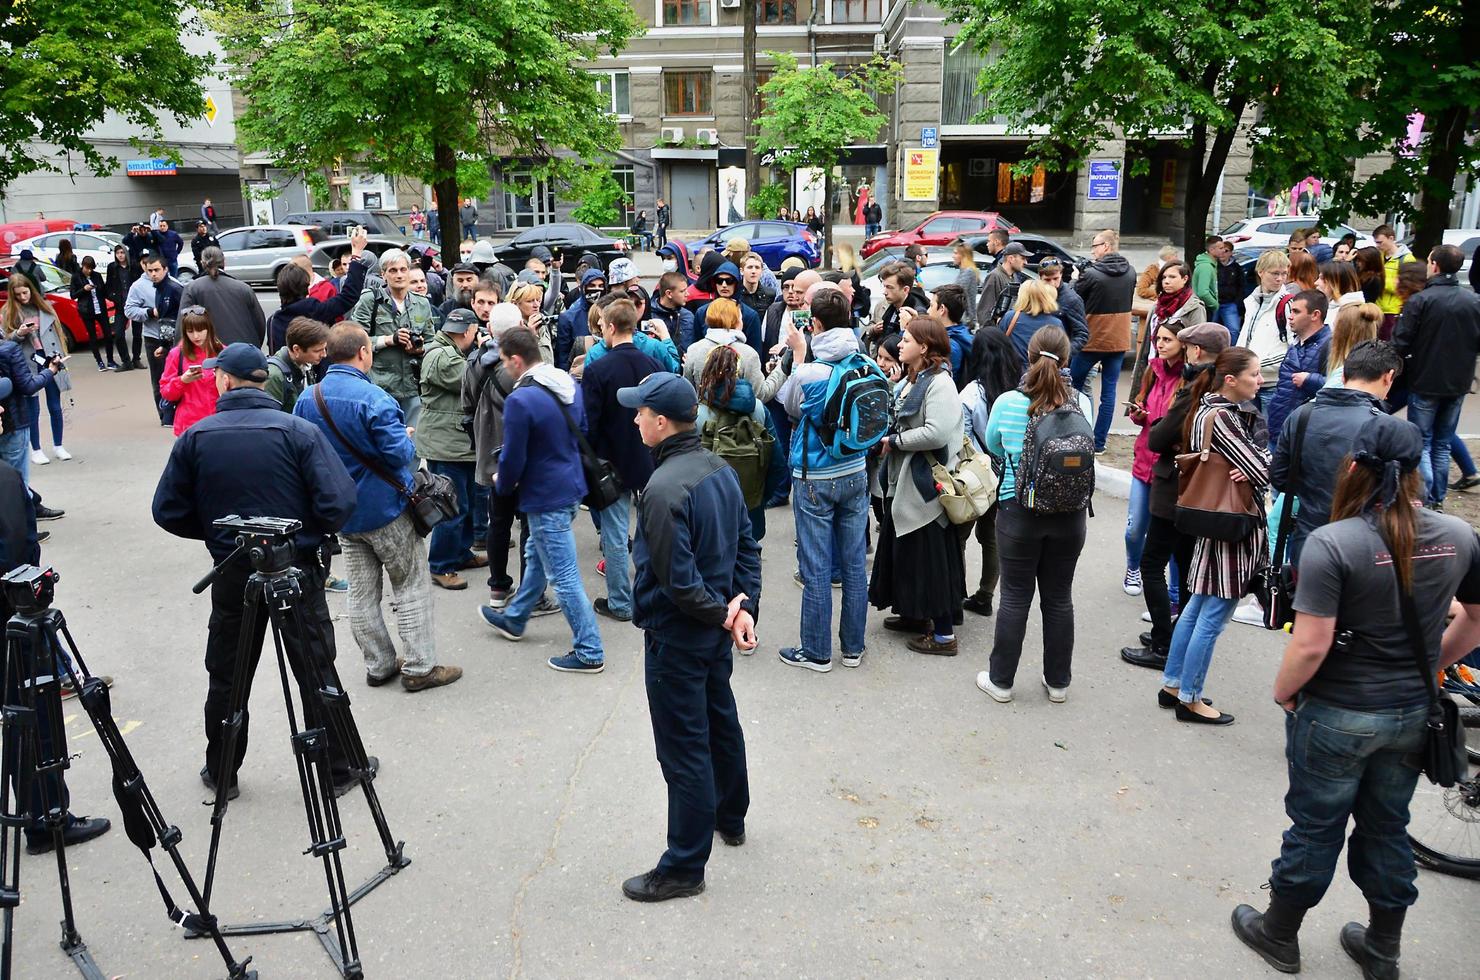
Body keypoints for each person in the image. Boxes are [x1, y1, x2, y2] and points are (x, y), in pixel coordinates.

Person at [1232, 413, 1480, 980]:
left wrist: (1283, 693)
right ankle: (1383, 949)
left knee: (1315, 827)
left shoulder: (1333, 543)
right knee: (1387, 826)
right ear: (1417, 472)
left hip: (1337, 713)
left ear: (1352, 466)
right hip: (1413, 713)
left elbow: (1312, 643)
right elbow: (1475, 620)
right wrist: (1431, 664)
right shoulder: (1459, 536)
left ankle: (1279, 934)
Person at [152, 342, 364, 799]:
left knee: (229, 673)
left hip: (235, 569)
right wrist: (301, 536)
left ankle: (222, 771)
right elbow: (339, 501)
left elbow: (168, 510)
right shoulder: (297, 431)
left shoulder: (199, 435)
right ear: (261, 380)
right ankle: (340, 768)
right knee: (315, 669)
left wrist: (221, 536)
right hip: (294, 568)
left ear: (225, 380)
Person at [616, 372, 759, 903]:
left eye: (639, 413)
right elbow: (748, 544)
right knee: (720, 721)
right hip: (709, 631)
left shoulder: (663, 488)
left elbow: (677, 581)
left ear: (660, 422)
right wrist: (744, 608)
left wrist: (729, 614)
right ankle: (730, 815)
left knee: (684, 751)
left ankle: (683, 866)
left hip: (679, 636)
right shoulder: (717, 467)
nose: (634, 420)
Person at [292, 324, 463, 692]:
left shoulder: (307, 398)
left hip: (343, 513)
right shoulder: (375, 399)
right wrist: (404, 436)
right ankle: (419, 667)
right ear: (364, 353)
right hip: (387, 509)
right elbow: (399, 455)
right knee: (410, 586)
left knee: (362, 593)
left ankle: (380, 664)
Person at [476, 327, 605, 674]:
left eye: (504, 361)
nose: (503, 367)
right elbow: (582, 429)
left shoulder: (521, 399)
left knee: (563, 576)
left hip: (544, 492)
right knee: (535, 555)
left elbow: (514, 456)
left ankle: (590, 649)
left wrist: (502, 482)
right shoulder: (565, 383)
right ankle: (515, 618)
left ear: (516, 360)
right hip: (570, 483)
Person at [1, 459, 111, 853]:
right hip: (13, 621)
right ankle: (47, 819)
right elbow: (16, 551)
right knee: (32, 718)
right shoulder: (4, 476)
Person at [975, 326, 1090, 703]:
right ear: (1068, 359)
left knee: (1014, 598)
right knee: (1059, 598)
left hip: (1018, 511)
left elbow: (993, 444)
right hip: (1070, 514)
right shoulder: (1082, 403)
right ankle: (1058, 683)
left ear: (1029, 355)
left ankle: (1001, 682)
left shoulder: (1008, 401)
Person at [1157, 347, 1269, 724]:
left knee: (1196, 606)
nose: (1261, 380)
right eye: (1255, 374)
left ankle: (1173, 684)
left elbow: (1250, 465)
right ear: (1232, 379)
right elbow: (1262, 467)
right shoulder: (1224, 416)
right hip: (1230, 526)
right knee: (1213, 614)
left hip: (1211, 519)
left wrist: (1249, 465)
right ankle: (1191, 698)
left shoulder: (1206, 407)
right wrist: (1255, 464)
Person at [774, 289, 874, 672]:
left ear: (813, 324)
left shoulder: (813, 370)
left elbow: (790, 405)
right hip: (855, 469)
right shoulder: (863, 362)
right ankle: (853, 647)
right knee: (852, 564)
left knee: (816, 566)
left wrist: (799, 356)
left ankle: (816, 651)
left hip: (816, 475)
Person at [1121, 322, 1225, 671]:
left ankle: (1164, 643)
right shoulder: (1219, 385)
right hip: (1198, 491)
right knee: (1184, 562)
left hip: (1176, 488)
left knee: (1152, 564)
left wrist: (1162, 427)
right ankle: (1174, 635)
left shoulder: (1195, 387)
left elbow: (1158, 438)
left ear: (1194, 350)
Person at [869, 317, 966, 655]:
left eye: (907, 340)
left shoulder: (941, 384)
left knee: (930, 560)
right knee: (909, 555)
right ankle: (914, 615)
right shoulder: (915, 380)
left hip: (925, 488)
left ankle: (943, 636)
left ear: (924, 348)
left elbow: (936, 433)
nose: (899, 344)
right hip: (906, 482)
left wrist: (895, 441)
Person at [1272, 339, 1397, 565]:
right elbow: (1394, 494)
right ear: (1388, 377)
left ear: (1344, 374)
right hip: (1361, 549)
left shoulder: (1301, 415)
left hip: (1308, 544)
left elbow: (1280, 479)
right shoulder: (1385, 427)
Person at [581, 299, 664, 622]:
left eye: (602, 326)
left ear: (611, 327)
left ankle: (619, 601)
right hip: (650, 459)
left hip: (611, 464)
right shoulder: (653, 365)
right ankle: (654, 592)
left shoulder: (597, 369)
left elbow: (589, 422)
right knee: (654, 530)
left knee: (615, 537)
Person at [1393, 244, 1480, 509]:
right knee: (1441, 443)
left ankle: (1428, 497)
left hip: (1426, 380)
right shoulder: (1473, 300)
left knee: (1425, 442)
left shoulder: (1421, 300)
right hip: (1457, 382)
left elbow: (1401, 341)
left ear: (1434, 265)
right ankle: (1436, 498)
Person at [409, 307, 487, 590]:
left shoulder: (450, 351)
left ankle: (460, 553)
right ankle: (441, 565)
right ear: (468, 332)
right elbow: (472, 381)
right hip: (447, 444)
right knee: (450, 506)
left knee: (467, 501)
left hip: (457, 442)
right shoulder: (442, 356)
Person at [959, 327, 1021, 618]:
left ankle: (955, 589)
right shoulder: (1020, 387)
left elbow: (964, 439)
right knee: (992, 537)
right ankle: (985, 594)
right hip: (1008, 473)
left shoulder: (972, 392)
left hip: (976, 475)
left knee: (959, 534)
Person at [1124, 318, 1186, 598]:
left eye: (1167, 340)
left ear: (1182, 344)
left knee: (1171, 537)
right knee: (1135, 529)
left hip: (1170, 469)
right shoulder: (1152, 370)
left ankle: (1173, 594)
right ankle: (1132, 568)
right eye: (1158, 339)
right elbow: (1143, 407)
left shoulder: (1188, 380)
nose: (1160, 344)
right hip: (1143, 461)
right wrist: (1139, 415)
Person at [349, 248, 434, 430]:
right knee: (383, 439)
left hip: (413, 384)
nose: (399, 275)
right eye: (393, 270)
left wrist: (420, 349)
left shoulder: (422, 303)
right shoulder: (370, 300)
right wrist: (389, 340)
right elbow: (354, 342)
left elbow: (432, 342)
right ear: (383, 274)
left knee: (412, 444)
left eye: (403, 270)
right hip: (380, 384)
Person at [1071, 229, 1136, 454]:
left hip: (1091, 340)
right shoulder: (1131, 272)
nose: (1093, 250)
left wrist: (1075, 278)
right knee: (1109, 393)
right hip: (1118, 341)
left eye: (1095, 245)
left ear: (1106, 246)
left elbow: (1074, 297)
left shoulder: (1091, 275)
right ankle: (1099, 443)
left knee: (1073, 387)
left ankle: (1075, 434)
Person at [1, 273, 70, 462]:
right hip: (26, 360)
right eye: (18, 295)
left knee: (55, 405)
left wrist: (60, 357)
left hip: (49, 357)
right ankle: (36, 448)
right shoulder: (8, 312)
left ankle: (58, 445)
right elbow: (4, 341)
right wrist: (18, 333)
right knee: (32, 407)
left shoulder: (44, 306)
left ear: (31, 289)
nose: (23, 297)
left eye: (25, 292)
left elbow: (58, 334)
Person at [268, 230, 369, 351]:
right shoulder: (312, 310)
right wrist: (356, 253)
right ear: (306, 287)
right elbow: (348, 296)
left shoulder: (274, 321)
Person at [0, 306, 63, 482]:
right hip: (13, 423)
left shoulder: (45, 308)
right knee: (18, 481)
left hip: (11, 422)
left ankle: (34, 503)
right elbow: (28, 386)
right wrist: (50, 371)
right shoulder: (10, 349)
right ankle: (26, 504)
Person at [1265, 289, 1331, 452]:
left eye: (1296, 311)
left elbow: (1339, 386)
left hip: (1304, 435)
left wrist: (1310, 380)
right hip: (1279, 429)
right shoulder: (1296, 343)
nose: (1290, 316)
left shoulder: (1330, 346)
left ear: (1315, 315)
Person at [125, 253, 184, 425]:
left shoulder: (174, 286)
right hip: (153, 338)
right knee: (159, 379)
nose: (153, 273)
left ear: (165, 269)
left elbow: (184, 314)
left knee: (178, 376)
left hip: (174, 340)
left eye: (157, 270)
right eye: (150, 270)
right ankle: (164, 415)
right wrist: (149, 312)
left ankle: (178, 412)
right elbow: (129, 311)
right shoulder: (137, 286)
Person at [180, 246, 267, 349]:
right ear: (224, 261)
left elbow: (181, 327)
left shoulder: (192, 289)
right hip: (246, 352)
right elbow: (260, 324)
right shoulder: (244, 288)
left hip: (210, 354)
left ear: (202, 263)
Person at [1237, 249, 1293, 405]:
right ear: (1261, 272)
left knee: (1268, 428)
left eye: (1284, 274)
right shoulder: (1252, 301)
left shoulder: (1288, 303)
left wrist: (1257, 365)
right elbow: (1245, 338)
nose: (1280, 279)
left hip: (1272, 383)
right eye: (1275, 273)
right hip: (1247, 381)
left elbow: (1294, 347)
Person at [158, 306, 224, 436]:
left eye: (200, 330)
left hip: (219, 423)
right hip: (189, 426)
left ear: (209, 328)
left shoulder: (223, 352)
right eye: (190, 331)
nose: (195, 336)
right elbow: (165, 392)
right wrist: (182, 380)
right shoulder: (177, 354)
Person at [693, 261, 762, 352]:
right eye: (719, 281)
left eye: (729, 281)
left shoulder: (750, 315)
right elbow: (696, 347)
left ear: (736, 283)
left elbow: (755, 354)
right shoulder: (702, 312)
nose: (724, 285)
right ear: (714, 283)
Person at [266, 316, 329, 412]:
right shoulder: (274, 376)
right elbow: (271, 417)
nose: (324, 355)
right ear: (296, 349)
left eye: (324, 349)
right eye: (317, 351)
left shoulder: (305, 364)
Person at [995, 279, 1063, 365]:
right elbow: (1060, 353)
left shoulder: (1010, 317)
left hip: (1012, 371)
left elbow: (997, 344)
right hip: (1042, 373)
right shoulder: (1056, 323)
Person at [1321, 302, 1382, 390]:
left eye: (1335, 328)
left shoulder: (1343, 377)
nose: (1332, 334)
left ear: (1342, 334)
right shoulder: (1377, 366)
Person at [69, 255, 115, 371]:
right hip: (87, 310)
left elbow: (104, 291)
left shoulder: (97, 275)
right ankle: (99, 361)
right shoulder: (76, 277)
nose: (89, 271)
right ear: (83, 266)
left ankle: (110, 360)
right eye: (87, 268)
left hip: (100, 308)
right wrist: (84, 289)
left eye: (91, 269)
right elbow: (73, 295)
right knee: (93, 336)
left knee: (108, 334)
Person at [1036, 257, 1089, 355]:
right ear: (1040, 278)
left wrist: (1063, 354)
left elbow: (1082, 334)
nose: (1052, 284)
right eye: (1047, 280)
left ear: (1061, 275)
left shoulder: (1072, 299)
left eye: (1056, 279)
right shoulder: (1034, 293)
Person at [929, 284, 974, 388]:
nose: (928, 311)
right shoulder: (962, 333)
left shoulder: (949, 345)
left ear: (942, 309)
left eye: (931, 306)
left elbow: (942, 386)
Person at [1373, 223, 1413, 335]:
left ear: (1391, 238)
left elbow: (1406, 287)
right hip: (1377, 308)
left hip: (1393, 311)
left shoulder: (1407, 259)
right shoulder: (1379, 256)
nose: (1377, 245)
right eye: (1376, 242)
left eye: (1380, 242)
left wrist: (1379, 282)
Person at [975, 241, 1027, 327]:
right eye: (1022, 258)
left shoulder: (1015, 277)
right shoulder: (994, 276)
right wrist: (991, 333)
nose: (1025, 262)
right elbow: (984, 311)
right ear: (1011, 258)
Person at [104, 244, 139, 370]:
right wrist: (113, 297)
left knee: (137, 334)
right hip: (120, 306)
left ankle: (136, 359)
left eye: (122, 252)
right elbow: (108, 286)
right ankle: (126, 361)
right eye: (118, 253)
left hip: (135, 304)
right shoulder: (112, 268)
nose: (120, 255)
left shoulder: (134, 266)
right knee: (118, 334)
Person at [1318, 260, 1364, 324]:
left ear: (1335, 283)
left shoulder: (1346, 315)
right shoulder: (1333, 307)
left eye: (1322, 278)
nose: (1316, 283)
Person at [951, 241, 981, 328]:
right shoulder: (966, 271)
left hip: (965, 319)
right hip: (965, 318)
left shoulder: (968, 271)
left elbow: (957, 291)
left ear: (964, 256)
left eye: (956, 253)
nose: (953, 256)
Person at [1191, 236, 1222, 320]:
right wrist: (1215, 304)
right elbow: (1203, 292)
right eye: (1220, 248)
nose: (1223, 250)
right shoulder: (1206, 267)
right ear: (1211, 250)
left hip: (1204, 306)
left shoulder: (1210, 264)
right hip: (1204, 307)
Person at [737, 252, 776, 319]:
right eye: (750, 267)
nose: (753, 271)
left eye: (757, 268)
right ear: (742, 271)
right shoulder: (735, 294)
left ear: (762, 271)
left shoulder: (770, 294)